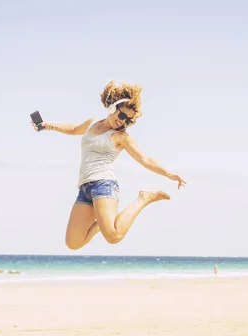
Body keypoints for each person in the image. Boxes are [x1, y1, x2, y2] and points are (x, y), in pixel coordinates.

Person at [31, 81, 186, 250]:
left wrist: (168, 174)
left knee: (113, 236)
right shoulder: (92, 123)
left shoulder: (121, 137)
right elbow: (74, 129)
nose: (123, 122)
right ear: (113, 108)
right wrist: (47, 125)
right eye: (122, 116)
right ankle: (101, 224)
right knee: (73, 243)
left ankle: (144, 198)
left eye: (128, 120)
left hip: (104, 185)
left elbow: (144, 159)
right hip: (84, 188)